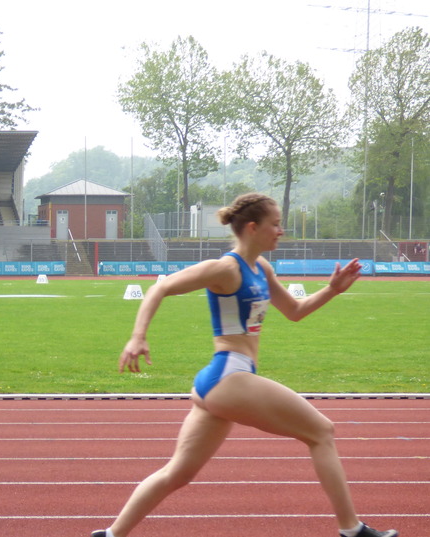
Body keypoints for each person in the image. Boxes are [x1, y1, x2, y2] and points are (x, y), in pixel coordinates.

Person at [92, 193, 397, 537]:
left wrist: (332, 289)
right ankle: (352, 530)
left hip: (223, 381)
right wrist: (138, 336)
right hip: (228, 375)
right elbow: (159, 289)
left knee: (178, 473)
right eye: (276, 224)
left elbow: (295, 312)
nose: (281, 230)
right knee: (321, 432)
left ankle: (111, 535)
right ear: (253, 228)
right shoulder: (225, 268)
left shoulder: (261, 268)